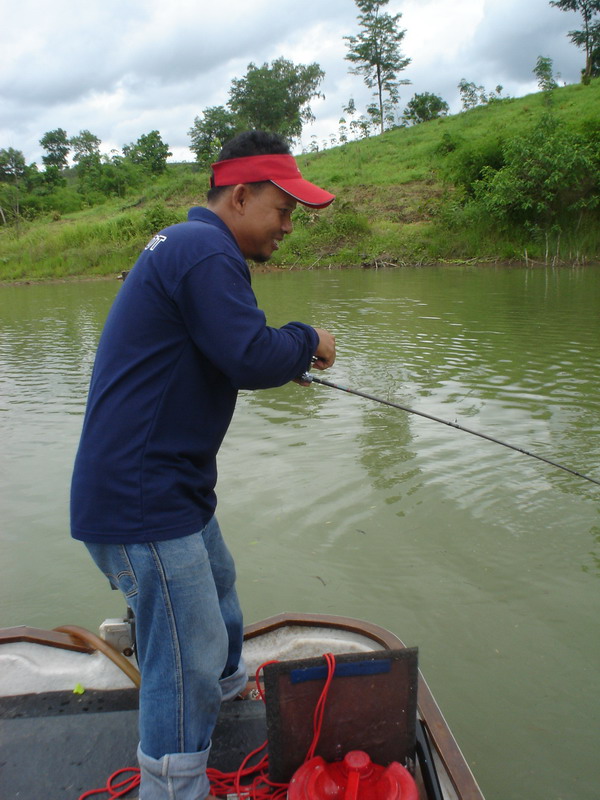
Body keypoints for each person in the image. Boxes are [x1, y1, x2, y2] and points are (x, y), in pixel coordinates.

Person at [70, 130, 336, 800]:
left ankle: (226, 713)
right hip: (142, 501)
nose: (286, 228)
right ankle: (174, 785)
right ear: (241, 195)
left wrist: (281, 357)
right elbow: (249, 355)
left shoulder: (187, 245)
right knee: (184, 659)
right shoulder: (204, 251)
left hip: (164, 489)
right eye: (282, 211)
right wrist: (307, 341)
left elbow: (224, 350)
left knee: (218, 591)